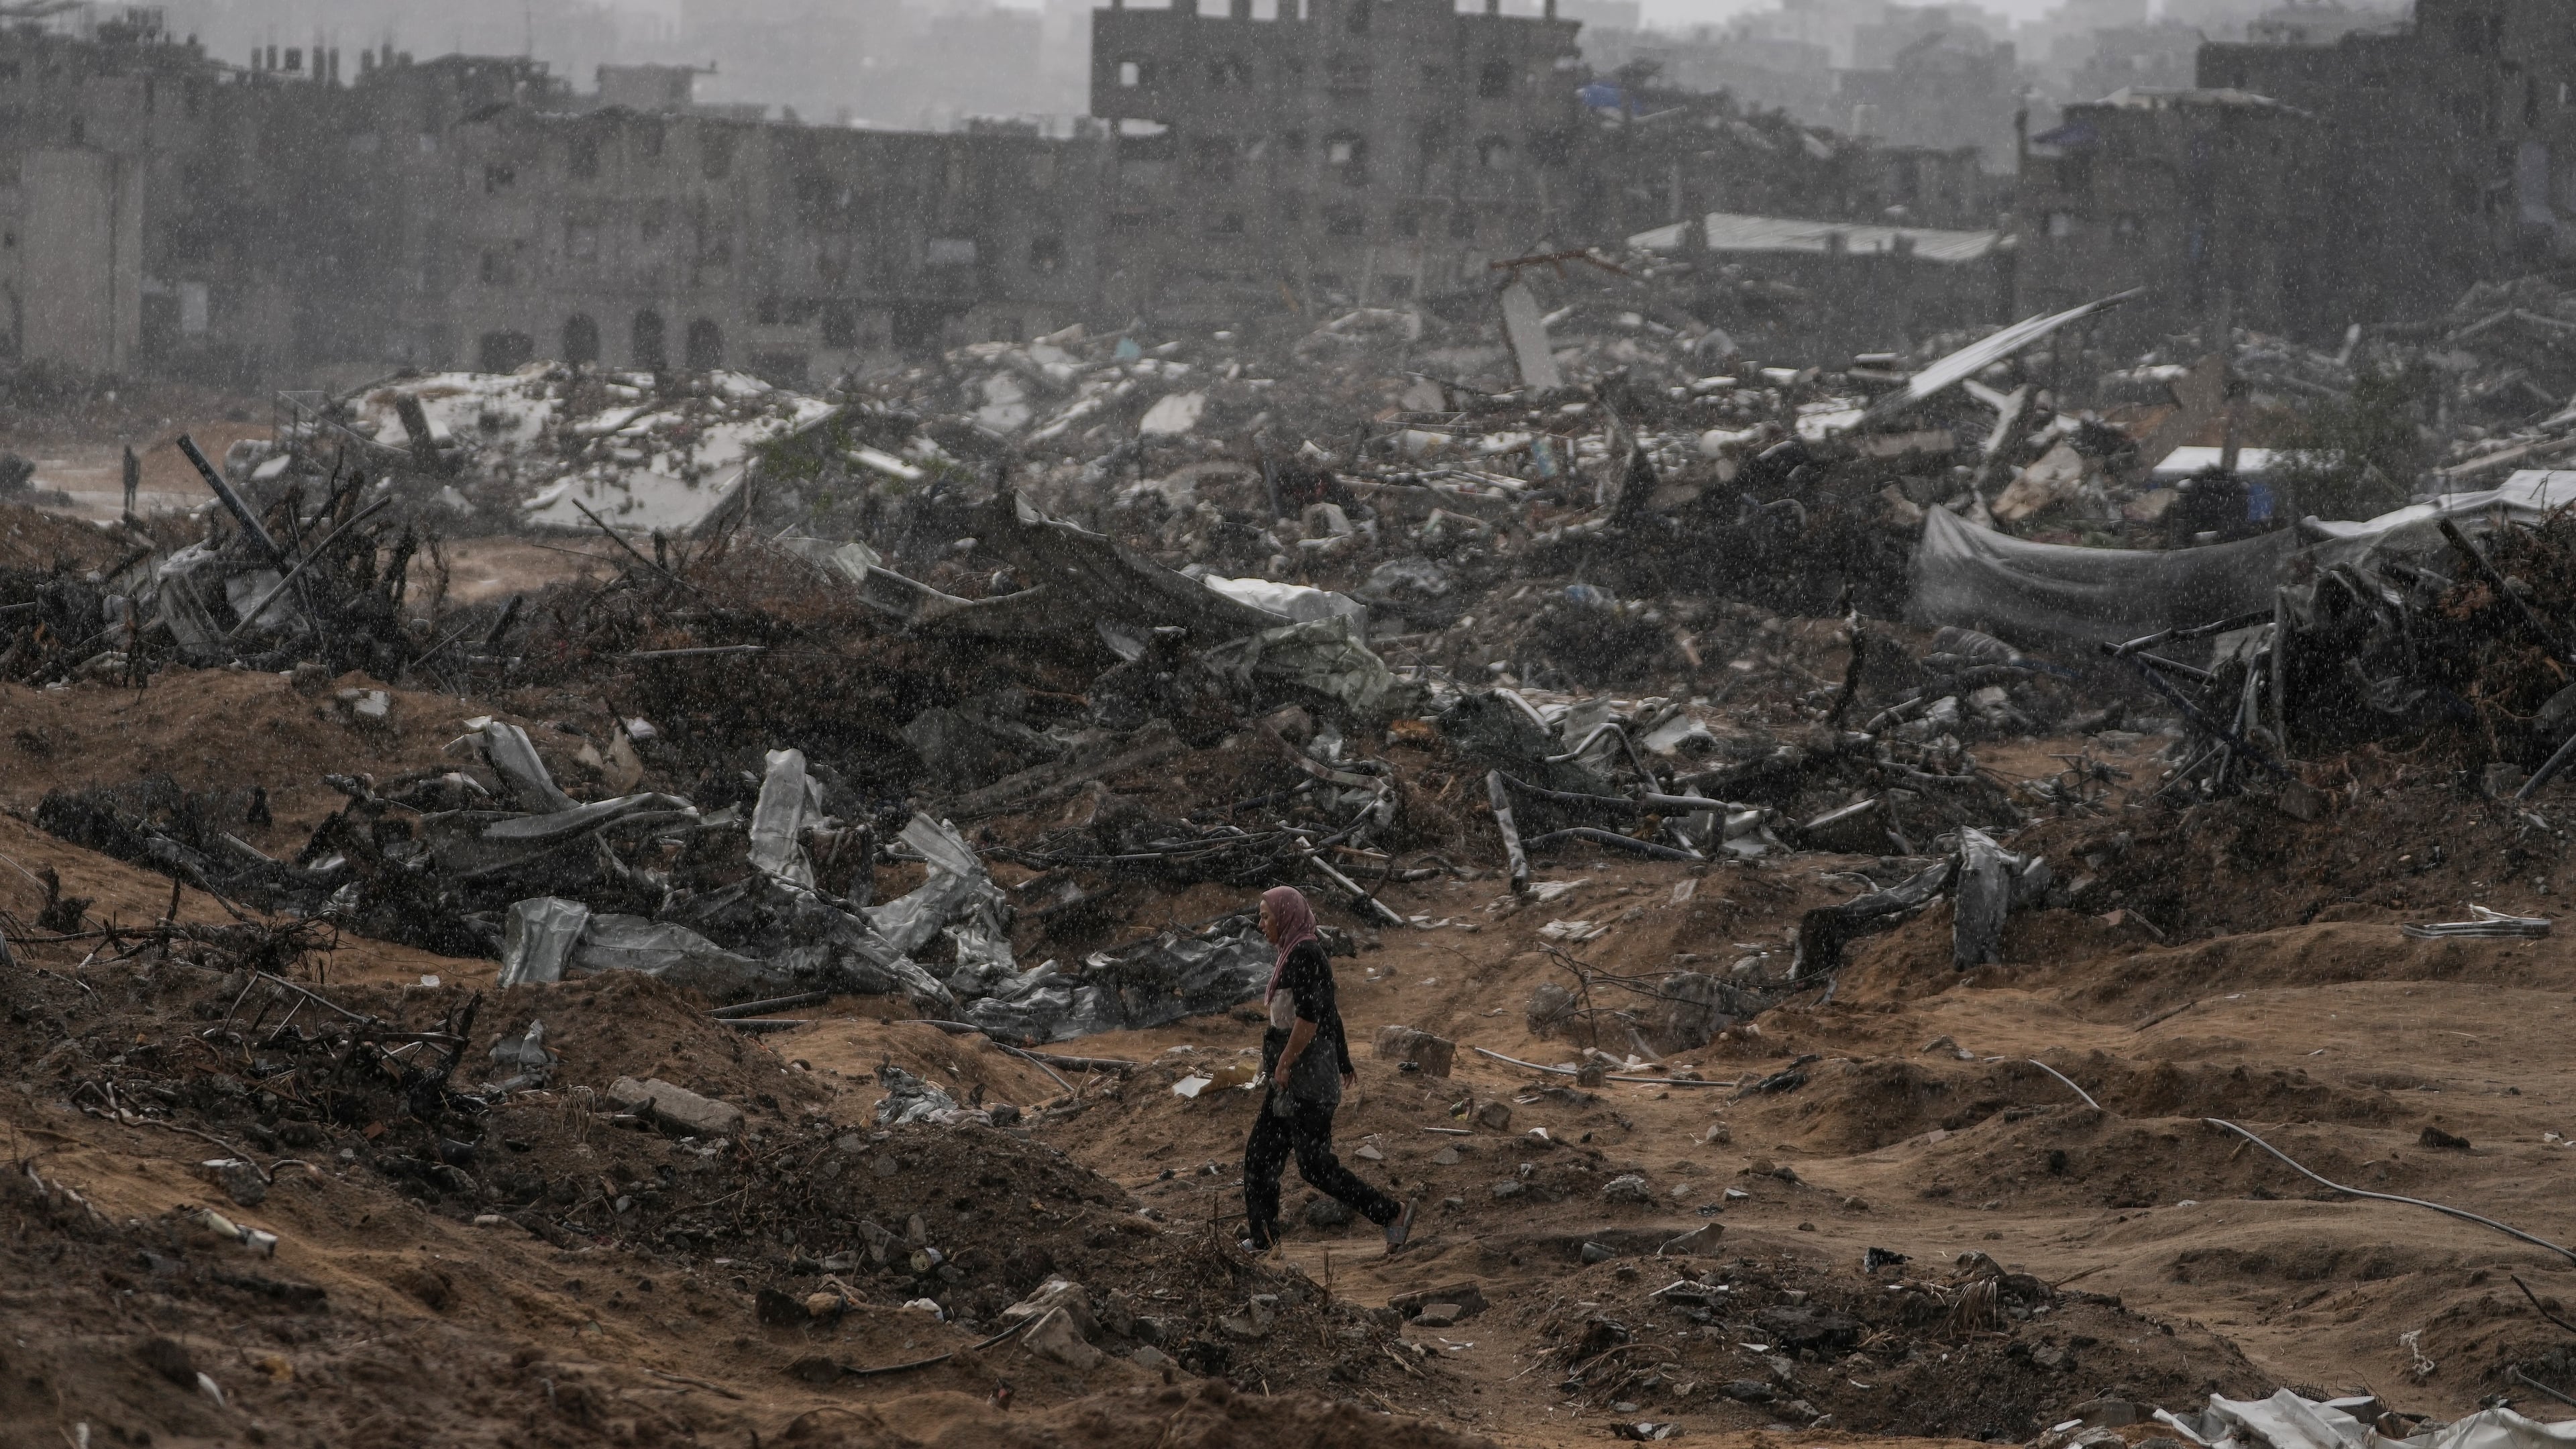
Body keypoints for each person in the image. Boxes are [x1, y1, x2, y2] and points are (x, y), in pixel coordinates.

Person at [1241, 884, 1415, 1254]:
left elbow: (1309, 1020)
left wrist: (1285, 1064)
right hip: (1295, 1082)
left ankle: (1392, 1214)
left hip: (1306, 1084)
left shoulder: (1304, 954)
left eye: (1266, 916)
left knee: (1314, 1167)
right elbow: (1330, 1011)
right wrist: (1344, 1059)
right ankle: (1264, 1241)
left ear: (1285, 917)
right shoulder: (1298, 951)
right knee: (1262, 1157)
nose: (1261, 924)